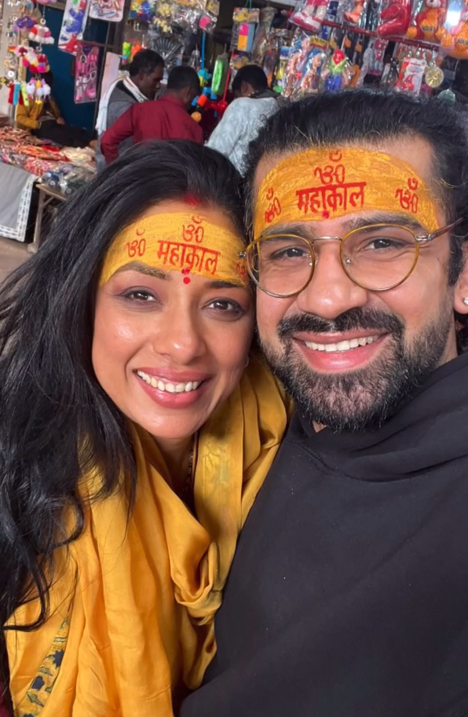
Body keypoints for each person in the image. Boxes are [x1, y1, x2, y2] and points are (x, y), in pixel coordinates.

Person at [180, 91, 468, 716]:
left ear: (463, 273)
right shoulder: (249, 423)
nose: (330, 297)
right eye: (287, 251)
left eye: (382, 242)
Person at [0, 141, 290, 716]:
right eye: (140, 295)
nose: (181, 344)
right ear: (82, 302)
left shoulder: (296, 465)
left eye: (223, 305)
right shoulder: (16, 472)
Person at [101, 66, 203, 165]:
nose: (191, 104)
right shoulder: (195, 130)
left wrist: (118, 171)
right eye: (193, 97)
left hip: (139, 178)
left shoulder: (140, 110)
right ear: (188, 92)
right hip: (172, 181)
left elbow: (107, 141)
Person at [206, 64, 284, 175]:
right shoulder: (277, 107)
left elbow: (214, 151)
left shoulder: (241, 105)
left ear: (244, 87)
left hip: (232, 183)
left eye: (236, 95)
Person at [95, 49, 165, 167]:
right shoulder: (124, 107)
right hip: (116, 170)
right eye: (156, 80)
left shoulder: (122, 84)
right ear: (141, 75)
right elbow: (125, 151)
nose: (158, 86)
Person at [16, 72, 92, 148]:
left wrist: (58, 118)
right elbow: (20, 117)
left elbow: (56, 113)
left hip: (53, 123)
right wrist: (37, 124)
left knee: (76, 131)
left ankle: (91, 142)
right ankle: (83, 146)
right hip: (39, 125)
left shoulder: (49, 96)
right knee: (62, 136)